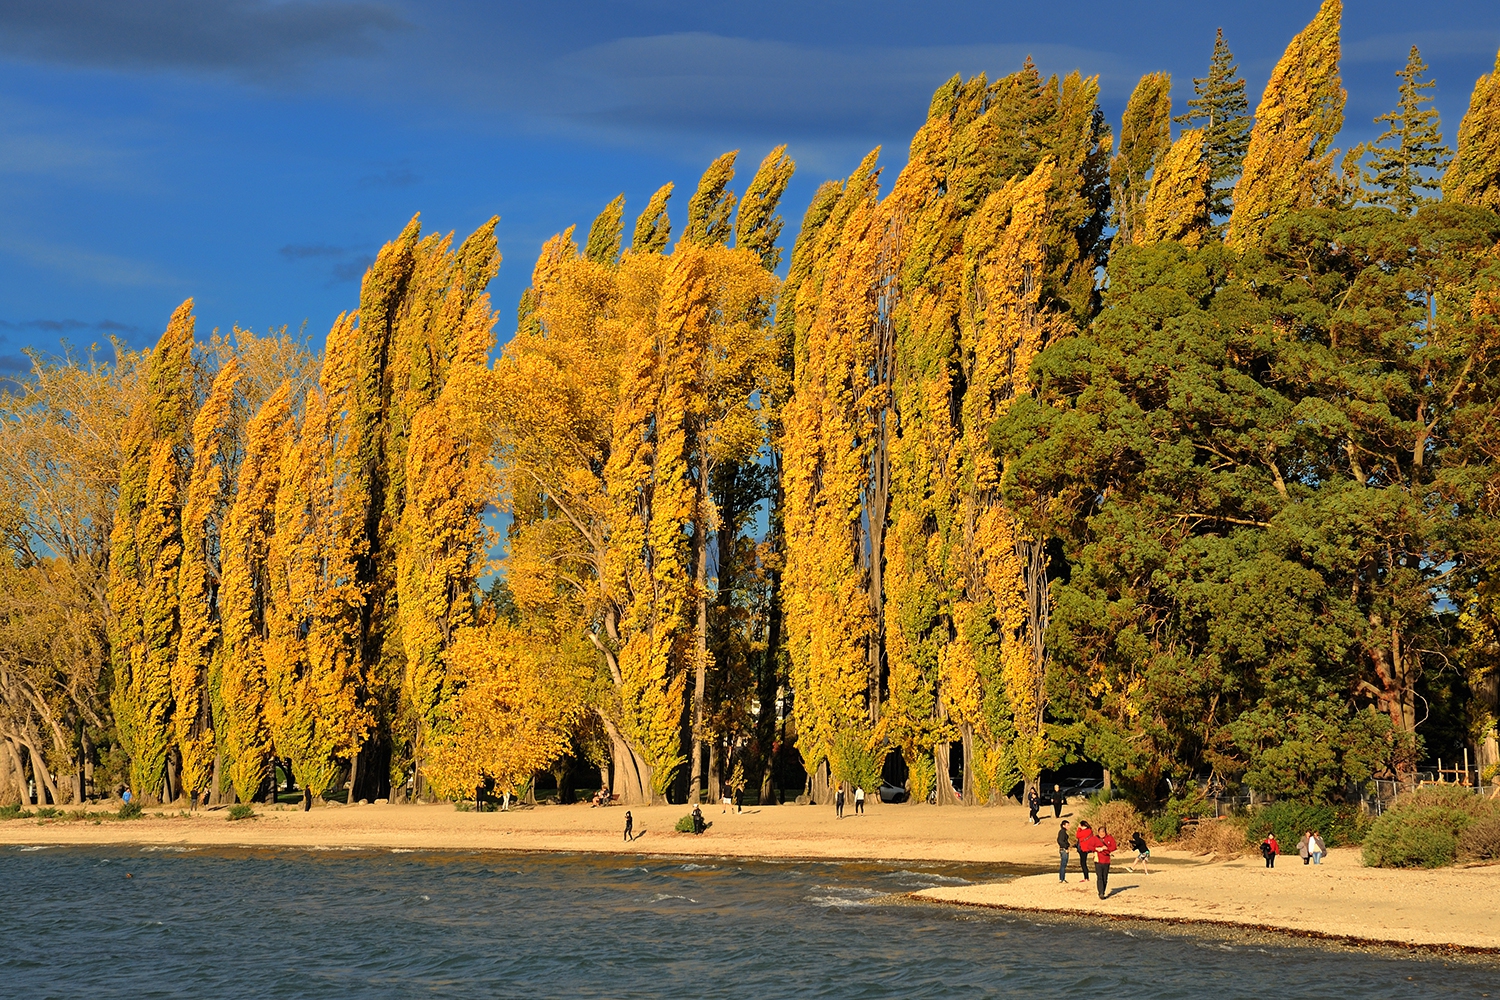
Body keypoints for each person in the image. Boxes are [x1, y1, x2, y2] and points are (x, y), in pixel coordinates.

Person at [1094, 824, 1117, 900]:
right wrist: (1096, 848)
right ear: (1098, 832)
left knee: (1105, 878)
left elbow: (1114, 847)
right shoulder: (1095, 838)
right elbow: (1089, 846)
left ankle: (1103, 891)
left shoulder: (1109, 838)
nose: (1101, 834)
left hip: (1106, 860)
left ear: (1105, 832)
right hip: (1098, 860)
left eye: (1103, 833)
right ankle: (1101, 893)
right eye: (1100, 833)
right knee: (1099, 877)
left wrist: (1106, 848)